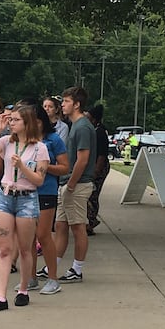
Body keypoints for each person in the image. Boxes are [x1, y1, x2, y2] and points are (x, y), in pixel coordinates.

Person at [0, 102, 49, 311]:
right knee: (4, 249)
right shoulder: (6, 141)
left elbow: (39, 180)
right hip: (5, 196)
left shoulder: (39, 148)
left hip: (26, 198)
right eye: (10, 119)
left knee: (24, 248)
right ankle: (1, 297)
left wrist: (21, 166)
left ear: (27, 123)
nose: (11, 123)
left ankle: (23, 289)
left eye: (15, 120)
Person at [54, 86, 95, 283]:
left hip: (77, 185)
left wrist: (71, 184)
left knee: (78, 227)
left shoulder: (83, 127)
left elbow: (83, 159)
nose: (62, 104)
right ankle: (53, 264)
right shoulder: (74, 126)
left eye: (67, 101)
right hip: (68, 184)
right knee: (60, 225)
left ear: (77, 104)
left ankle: (77, 269)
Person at [30, 100, 69, 293]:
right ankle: (30, 277)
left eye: (35, 121)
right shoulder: (22, 139)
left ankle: (53, 278)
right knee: (27, 237)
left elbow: (64, 167)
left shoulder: (53, 139)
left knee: (43, 235)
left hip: (46, 191)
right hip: (26, 191)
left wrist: (45, 167)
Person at [85, 104, 111, 234]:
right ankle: (90, 220)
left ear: (94, 120)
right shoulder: (93, 131)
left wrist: (96, 172)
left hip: (99, 167)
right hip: (93, 165)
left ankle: (91, 221)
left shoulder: (100, 133)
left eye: (88, 118)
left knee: (92, 194)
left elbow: (101, 155)